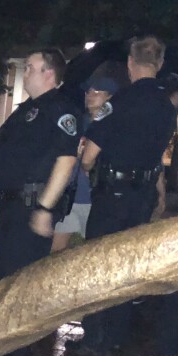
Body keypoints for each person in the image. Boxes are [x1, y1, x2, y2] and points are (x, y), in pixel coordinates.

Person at [66, 36, 177, 356]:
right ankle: (116, 337)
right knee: (129, 266)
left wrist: (88, 168)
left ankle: (94, 341)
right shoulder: (166, 106)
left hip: (112, 196)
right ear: (159, 65)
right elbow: (158, 156)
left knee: (101, 264)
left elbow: (89, 156)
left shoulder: (120, 102)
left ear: (131, 63)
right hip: (142, 196)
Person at [0, 48, 80, 280]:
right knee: (5, 276)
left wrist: (45, 209)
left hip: (31, 206)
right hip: (11, 206)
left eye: (29, 67)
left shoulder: (61, 109)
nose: (25, 73)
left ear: (49, 73)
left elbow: (66, 160)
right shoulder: (26, 110)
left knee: (21, 281)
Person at [52, 66, 125, 253]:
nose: (90, 95)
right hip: (72, 196)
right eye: (88, 91)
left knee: (96, 251)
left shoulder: (114, 128)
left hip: (96, 200)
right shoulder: (76, 122)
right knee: (56, 253)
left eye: (97, 92)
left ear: (110, 98)